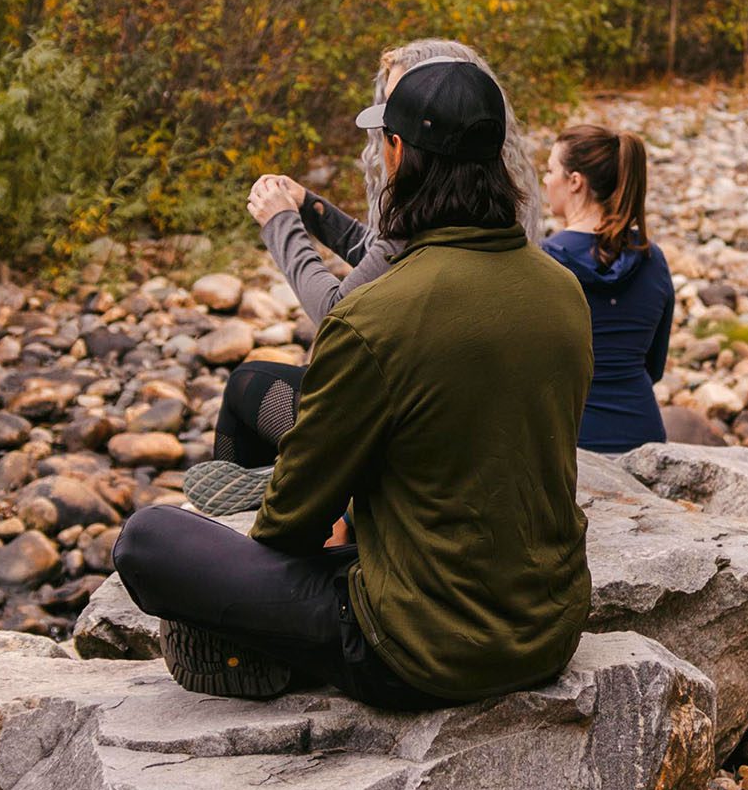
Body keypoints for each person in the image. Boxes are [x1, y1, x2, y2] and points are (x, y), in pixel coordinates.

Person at [113, 58, 594, 705]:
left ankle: (258, 650)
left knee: (147, 539)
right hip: (548, 628)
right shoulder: (562, 291)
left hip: (415, 650)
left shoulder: (374, 317)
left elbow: (289, 522)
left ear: (398, 153)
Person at [187, 39, 542, 516]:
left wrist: (280, 224)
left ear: (405, 144)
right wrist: (311, 208)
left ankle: (254, 514)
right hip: (464, 424)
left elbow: (337, 311)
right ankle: (287, 484)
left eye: (395, 111)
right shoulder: (493, 222)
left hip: (398, 432)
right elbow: (381, 255)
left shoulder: (420, 223)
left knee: (247, 384)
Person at [541, 124, 674, 455]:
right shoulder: (652, 258)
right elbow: (654, 366)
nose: (544, 180)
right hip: (644, 439)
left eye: (549, 170)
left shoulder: (545, 261)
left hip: (571, 441)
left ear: (575, 182)